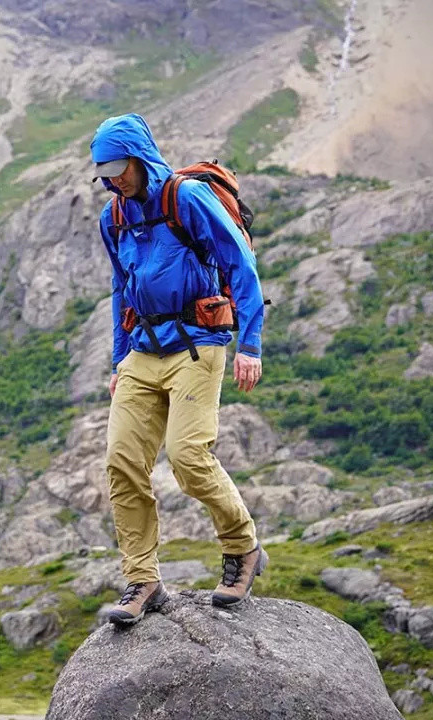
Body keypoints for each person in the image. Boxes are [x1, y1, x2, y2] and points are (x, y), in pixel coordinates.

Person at [90, 113, 268, 625]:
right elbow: (122, 287)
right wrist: (120, 358)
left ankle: (243, 548)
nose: (112, 179)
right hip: (143, 350)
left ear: (139, 158)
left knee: (188, 457)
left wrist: (249, 344)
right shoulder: (114, 217)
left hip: (198, 343)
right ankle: (143, 581)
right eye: (104, 170)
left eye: (118, 167)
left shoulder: (185, 199)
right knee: (122, 461)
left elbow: (240, 265)